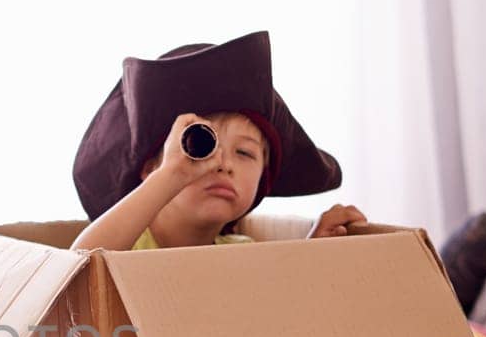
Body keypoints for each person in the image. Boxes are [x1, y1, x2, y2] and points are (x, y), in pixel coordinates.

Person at [71, 31, 364, 251]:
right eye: (201, 148)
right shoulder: (127, 241)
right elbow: (80, 265)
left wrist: (310, 249)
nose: (223, 164)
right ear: (150, 169)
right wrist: (171, 176)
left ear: (264, 177)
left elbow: (278, 305)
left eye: (245, 153)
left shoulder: (241, 252)